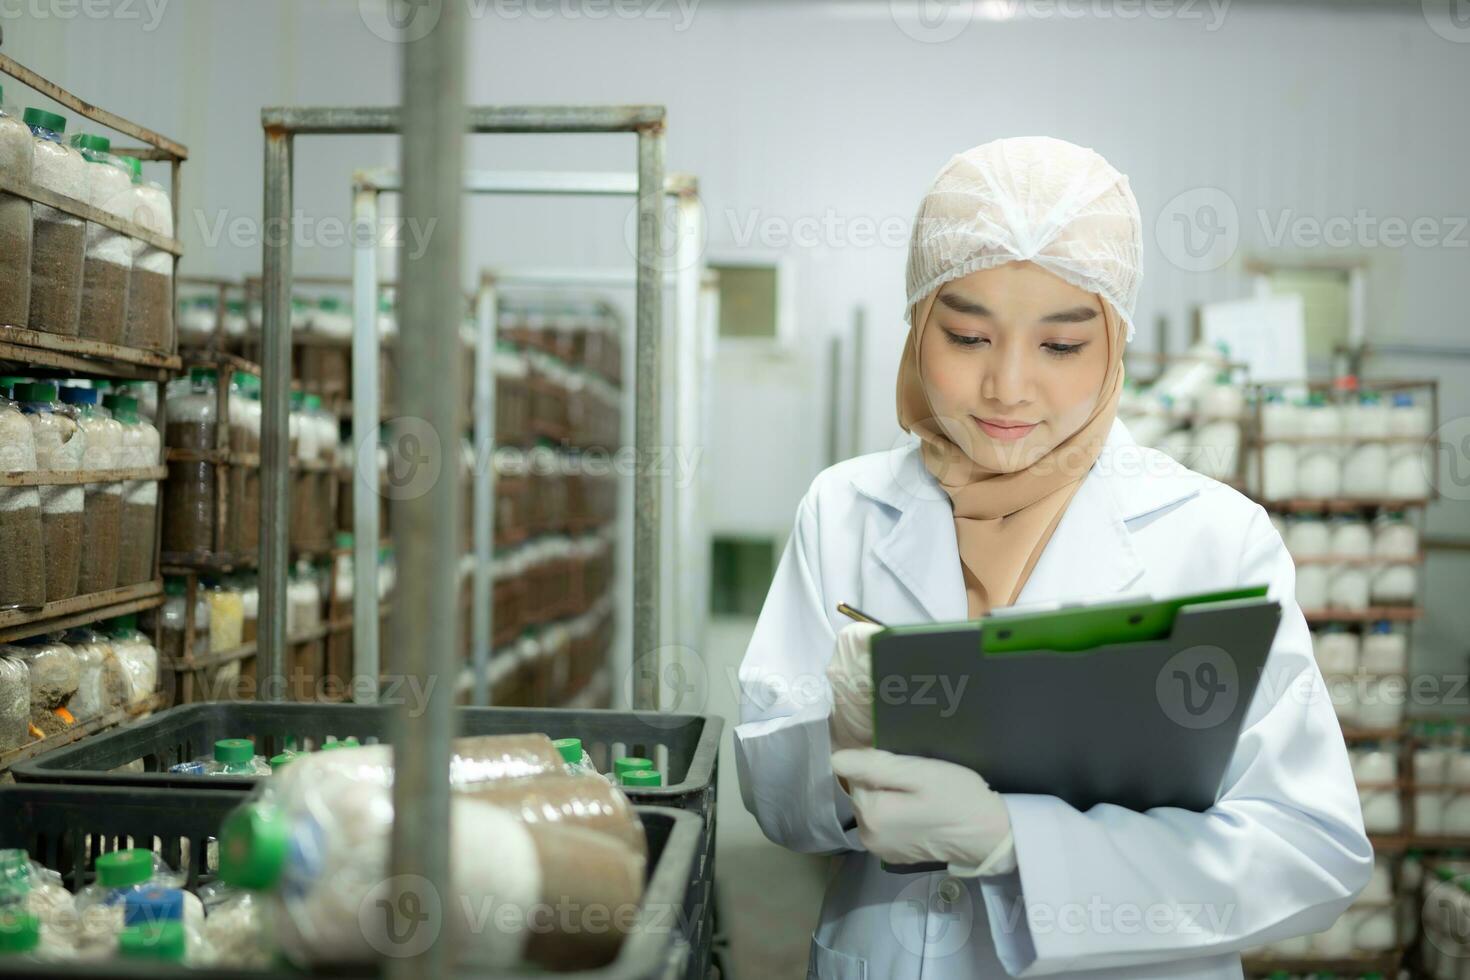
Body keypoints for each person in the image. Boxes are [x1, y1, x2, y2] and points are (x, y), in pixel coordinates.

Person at [731, 137, 1371, 979]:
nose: (1007, 387)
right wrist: (840, 756)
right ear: (917, 325)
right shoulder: (844, 510)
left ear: (1114, 346)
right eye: (965, 336)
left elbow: (1308, 847)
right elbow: (775, 800)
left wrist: (1020, 843)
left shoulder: (1215, 540)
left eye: (1061, 347)